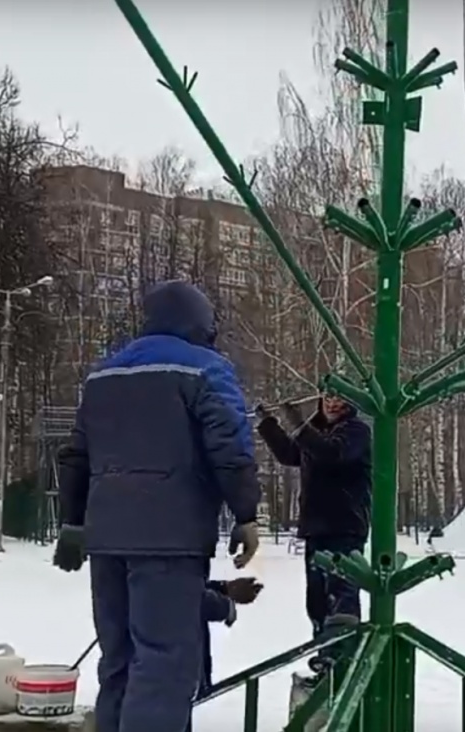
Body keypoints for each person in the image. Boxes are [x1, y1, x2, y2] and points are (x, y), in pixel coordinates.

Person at [53, 279, 262, 732]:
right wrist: (245, 513)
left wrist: (72, 523)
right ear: (201, 324)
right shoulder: (206, 369)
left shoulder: (102, 374)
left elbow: (76, 455)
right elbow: (229, 446)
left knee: (119, 660)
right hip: (170, 537)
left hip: (106, 538)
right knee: (163, 663)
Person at [256, 393, 371, 638]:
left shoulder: (356, 431)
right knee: (317, 599)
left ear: (350, 404)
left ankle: (343, 651)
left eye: (339, 400)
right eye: (327, 399)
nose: (332, 404)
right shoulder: (315, 433)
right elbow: (290, 455)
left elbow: (331, 453)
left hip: (345, 525)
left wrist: (300, 426)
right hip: (315, 526)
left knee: (342, 595)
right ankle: (322, 647)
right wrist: (269, 425)